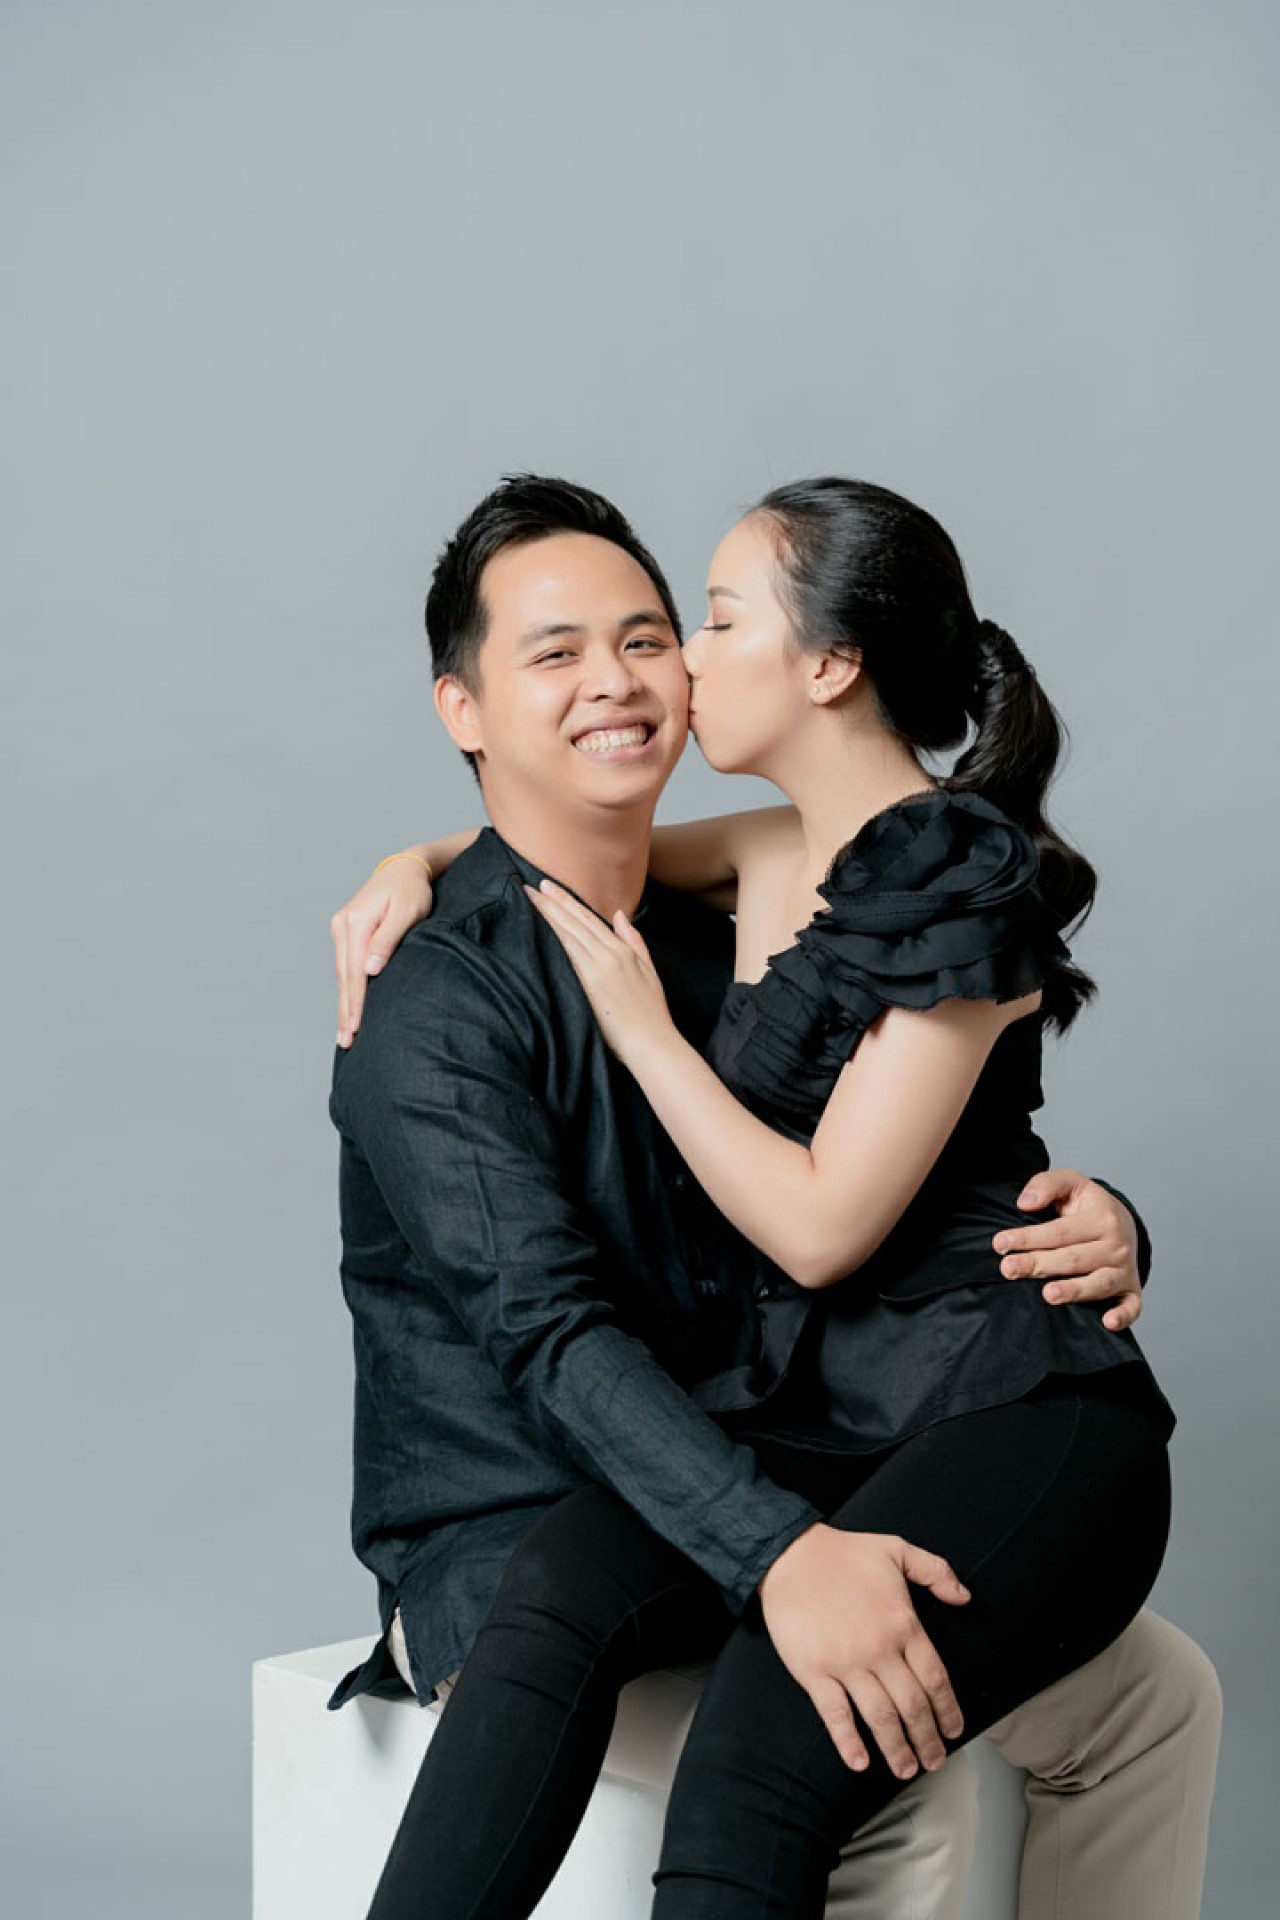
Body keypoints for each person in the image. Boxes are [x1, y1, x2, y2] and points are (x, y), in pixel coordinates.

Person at [328, 476, 1214, 1920]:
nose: (648, 674)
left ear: (828, 664)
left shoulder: (720, 929)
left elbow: (873, 1189)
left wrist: (1106, 1218)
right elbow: (551, 1328)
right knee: (803, 1732)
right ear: (464, 707)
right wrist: (415, 860)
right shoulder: (499, 968)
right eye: (559, 653)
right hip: (618, 1482)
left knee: (1142, 1692)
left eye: (677, 629)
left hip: (873, 1413)